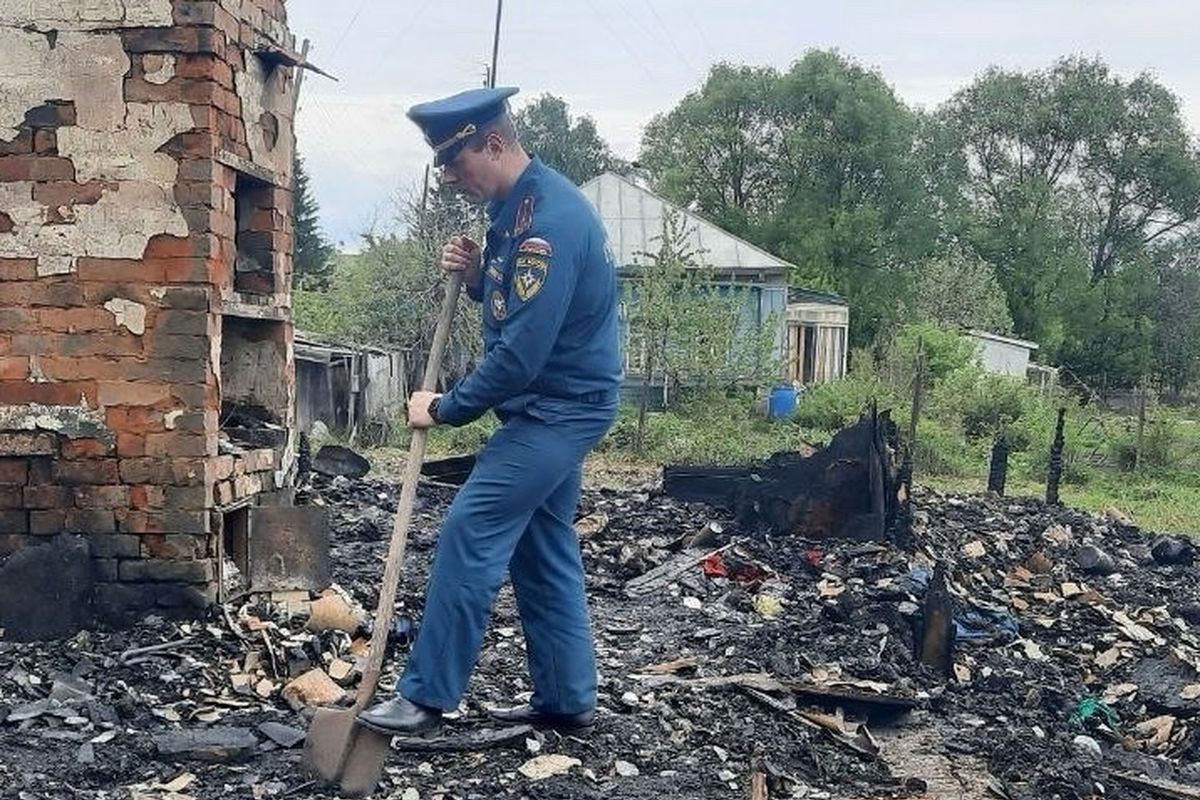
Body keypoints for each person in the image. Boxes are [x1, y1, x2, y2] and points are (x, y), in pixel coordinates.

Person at [356, 86, 622, 736]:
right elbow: (517, 308)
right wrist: (478, 276)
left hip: (556, 410)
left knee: (469, 530)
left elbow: (521, 357)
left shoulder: (549, 223)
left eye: (457, 164)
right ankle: (566, 699)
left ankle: (426, 695)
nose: (452, 180)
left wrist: (444, 408)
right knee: (543, 545)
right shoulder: (518, 209)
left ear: (495, 144)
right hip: (553, 405)